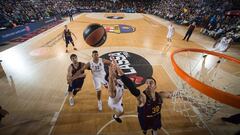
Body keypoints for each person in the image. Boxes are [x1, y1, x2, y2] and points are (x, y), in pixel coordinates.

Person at [115, 64, 173, 135]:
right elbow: (132, 87)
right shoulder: (143, 98)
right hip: (145, 118)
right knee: (144, 130)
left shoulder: (160, 95)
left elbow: (173, 94)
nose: (148, 84)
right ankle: (145, 131)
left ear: (155, 86)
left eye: (151, 83)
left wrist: (188, 98)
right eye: (147, 83)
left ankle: (154, 131)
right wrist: (121, 73)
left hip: (156, 117)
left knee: (155, 129)